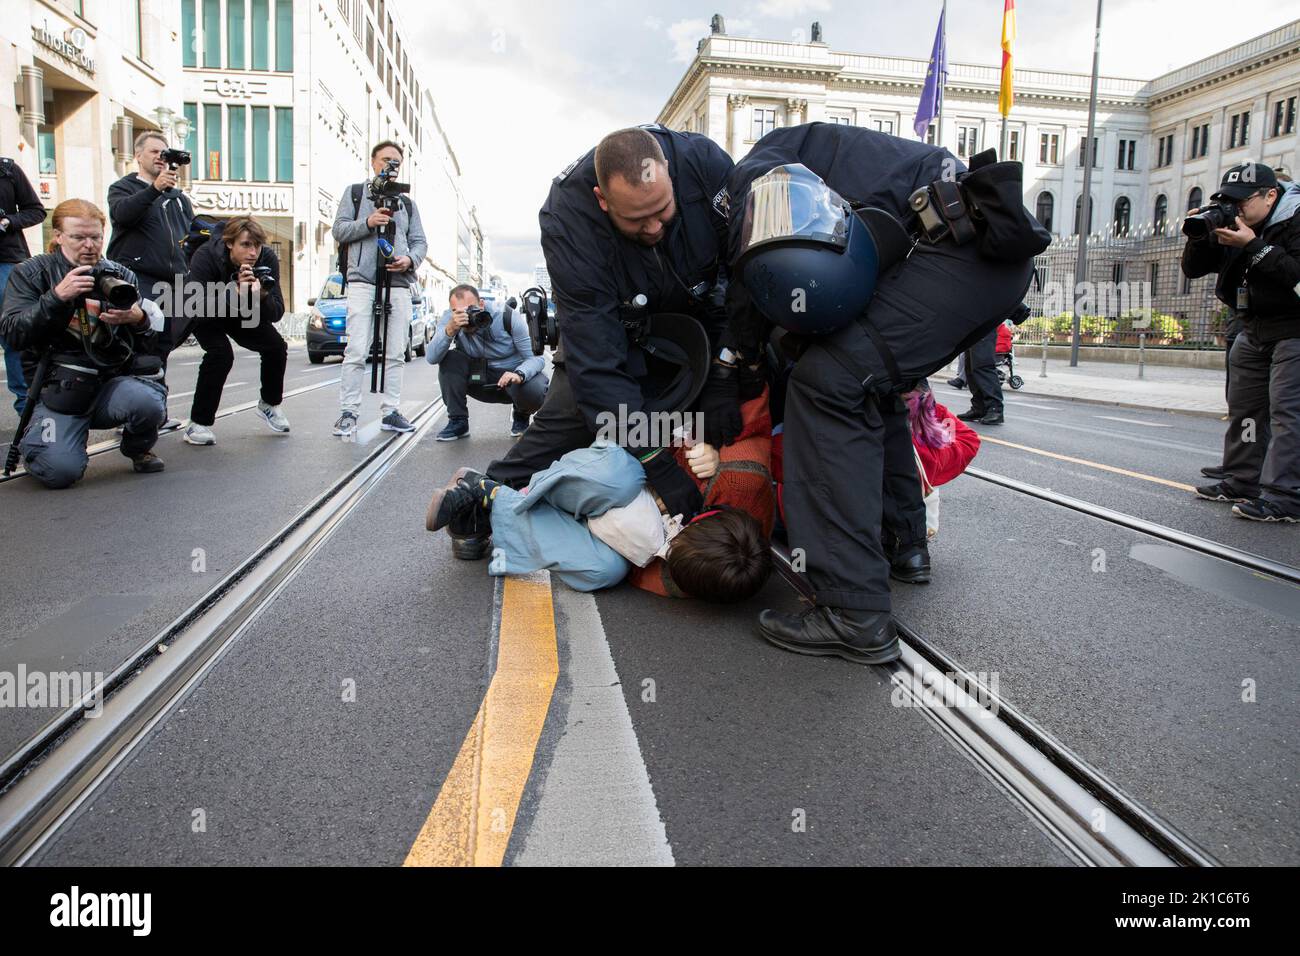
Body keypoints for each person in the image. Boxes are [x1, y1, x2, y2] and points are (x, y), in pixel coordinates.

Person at [723, 123, 1044, 663]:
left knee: (827, 384)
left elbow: (761, 270)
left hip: (956, 247)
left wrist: (740, 356)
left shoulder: (754, 175)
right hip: (983, 249)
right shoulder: (809, 150)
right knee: (870, 383)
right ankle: (904, 544)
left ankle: (853, 612)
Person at [444, 124, 744, 560]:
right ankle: (482, 494)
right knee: (574, 422)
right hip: (616, 333)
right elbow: (596, 362)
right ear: (603, 201)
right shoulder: (567, 217)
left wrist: (726, 371)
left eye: (662, 210)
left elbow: (746, 279)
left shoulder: (707, 167)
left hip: (698, 326)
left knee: (741, 408)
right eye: (637, 220)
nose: (656, 227)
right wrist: (656, 462)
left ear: (670, 176)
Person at [426, 442, 770, 601]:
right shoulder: (726, 482)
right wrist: (699, 454)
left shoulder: (708, 573)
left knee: (606, 571)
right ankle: (492, 496)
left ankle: (486, 494)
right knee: (618, 477)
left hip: (590, 531)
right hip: (590, 481)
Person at [0, 199, 168, 488]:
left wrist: (139, 320)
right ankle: (47, 439)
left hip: (109, 383)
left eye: (96, 237)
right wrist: (55, 298)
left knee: (149, 401)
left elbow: (151, 346)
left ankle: (136, 447)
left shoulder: (120, 275)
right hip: (57, 387)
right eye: (79, 237)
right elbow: (13, 334)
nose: (89, 245)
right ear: (58, 236)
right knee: (59, 472)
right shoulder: (31, 272)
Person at [1186, 163, 1300, 522]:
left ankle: (1286, 496)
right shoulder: (1237, 221)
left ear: (1270, 195)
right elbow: (1193, 270)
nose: (1236, 209)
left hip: (1293, 328)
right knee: (1246, 410)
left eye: (1242, 201)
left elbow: (1294, 275)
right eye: (1228, 201)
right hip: (1252, 326)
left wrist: (1254, 245)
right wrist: (1199, 236)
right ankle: (1243, 480)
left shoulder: (1294, 220)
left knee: (1288, 415)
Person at [330, 140, 428, 438]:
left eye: (396, 162)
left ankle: (391, 411)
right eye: (386, 160)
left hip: (398, 282)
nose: (391, 166)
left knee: (397, 352)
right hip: (362, 280)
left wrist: (409, 259)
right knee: (356, 349)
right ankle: (349, 412)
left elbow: (420, 241)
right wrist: (369, 222)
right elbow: (339, 229)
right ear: (373, 162)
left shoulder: (407, 203)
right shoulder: (356, 193)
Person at [182, 217, 290, 445]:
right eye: (245, 245)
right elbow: (196, 306)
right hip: (208, 311)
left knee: (276, 347)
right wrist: (236, 293)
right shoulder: (206, 256)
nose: (253, 252)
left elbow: (277, 312)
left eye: (257, 245)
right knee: (220, 354)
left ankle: (269, 404)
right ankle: (197, 424)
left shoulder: (267, 258)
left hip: (242, 312)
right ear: (230, 243)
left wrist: (262, 297)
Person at [425, 284, 547, 441]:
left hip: (512, 380)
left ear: (481, 304)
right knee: (449, 359)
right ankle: (458, 421)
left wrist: (519, 374)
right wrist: (449, 331)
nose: (466, 317)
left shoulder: (507, 317)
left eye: (470, 310)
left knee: (536, 388)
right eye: (459, 312)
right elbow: (431, 358)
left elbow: (536, 358)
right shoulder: (450, 319)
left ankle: (521, 414)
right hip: (479, 379)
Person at [106, 131, 194, 335]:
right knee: (140, 340)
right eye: (154, 152)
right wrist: (155, 189)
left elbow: (190, 237)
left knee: (164, 344)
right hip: (139, 279)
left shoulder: (179, 199)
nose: (160, 157)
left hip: (175, 284)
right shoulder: (123, 188)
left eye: (164, 153)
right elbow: (123, 215)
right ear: (138, 156)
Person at [0, 155, 47, 414]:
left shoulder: (7, 170)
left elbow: (36, 210)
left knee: (17, 336)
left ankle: (26, 407)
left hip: (7, 261)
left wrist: (7, 221)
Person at [956, 323, 1006, 425]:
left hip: (985, 323)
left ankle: (995, 409)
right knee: (970, 368)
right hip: (973, 325)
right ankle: (979, 408)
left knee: (983, 366)